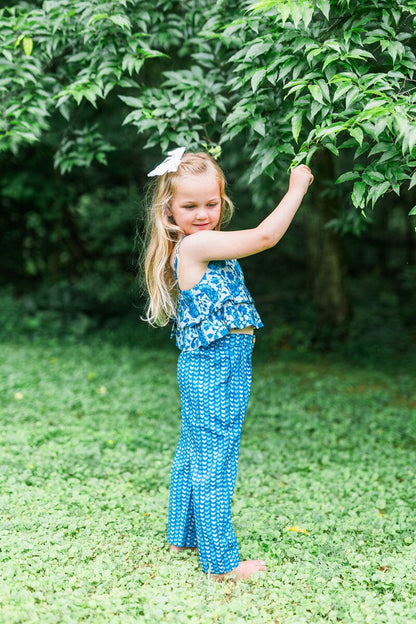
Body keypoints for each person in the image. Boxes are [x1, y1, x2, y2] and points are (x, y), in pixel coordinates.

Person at [143, 148, 313, 580]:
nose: (203, 214)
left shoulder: (201, 242)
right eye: (190, 206)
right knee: (214, 457)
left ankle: (182, 534)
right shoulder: (198, 244)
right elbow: (264, 237)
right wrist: (296, 189)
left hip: (220, 365)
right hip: (214, 368)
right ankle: (221, 563)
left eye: (211, 204)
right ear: (169, 210)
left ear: (222, 200)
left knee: (194, 450)